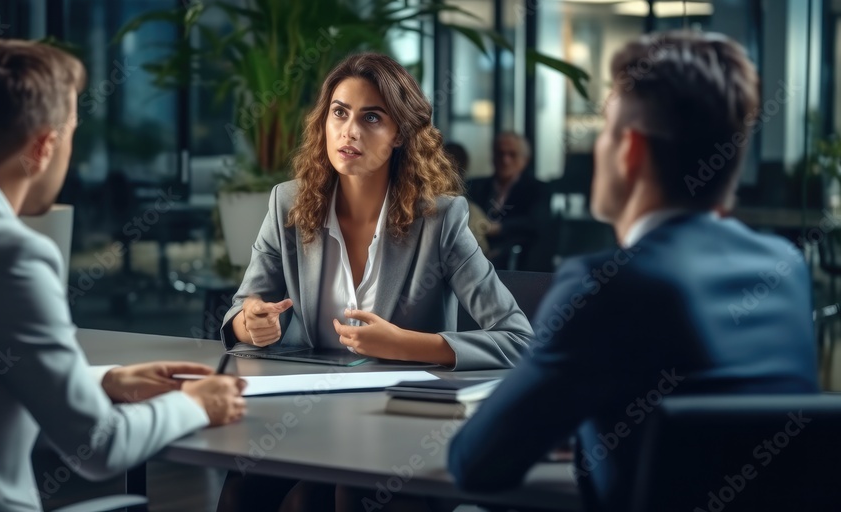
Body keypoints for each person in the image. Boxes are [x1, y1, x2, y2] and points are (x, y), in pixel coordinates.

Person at [0, 40, 246, 512]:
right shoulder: (10, 253)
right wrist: (198, 404)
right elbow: (97, 447)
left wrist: (104, 382)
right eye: (70, 133)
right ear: (43, 146)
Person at [447, 31, 819, 512]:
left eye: (604, 129)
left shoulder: (606, 284)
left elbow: (476, 463)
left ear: (630, 151)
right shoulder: (784, 269)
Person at [218, 52, 534, 511]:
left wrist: (407, 344)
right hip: (306, 419)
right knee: (243, 486)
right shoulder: (286, 204)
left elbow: (519, 340)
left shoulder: (440, 220)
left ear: (400, 134)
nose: (349, 131)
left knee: (337, 498)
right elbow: (239, 313)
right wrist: (252, 323)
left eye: (371, 118)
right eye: (339, 113)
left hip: (398, 429)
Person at [465, 131, 550, 270]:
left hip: (520, 265)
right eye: (500, 153)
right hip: (475, 262)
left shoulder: (537, 189)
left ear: (525, 159)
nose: (505, 160)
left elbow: (535, 223)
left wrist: (497, 228)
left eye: (512, 154)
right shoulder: (475, 186)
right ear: (492, 157)